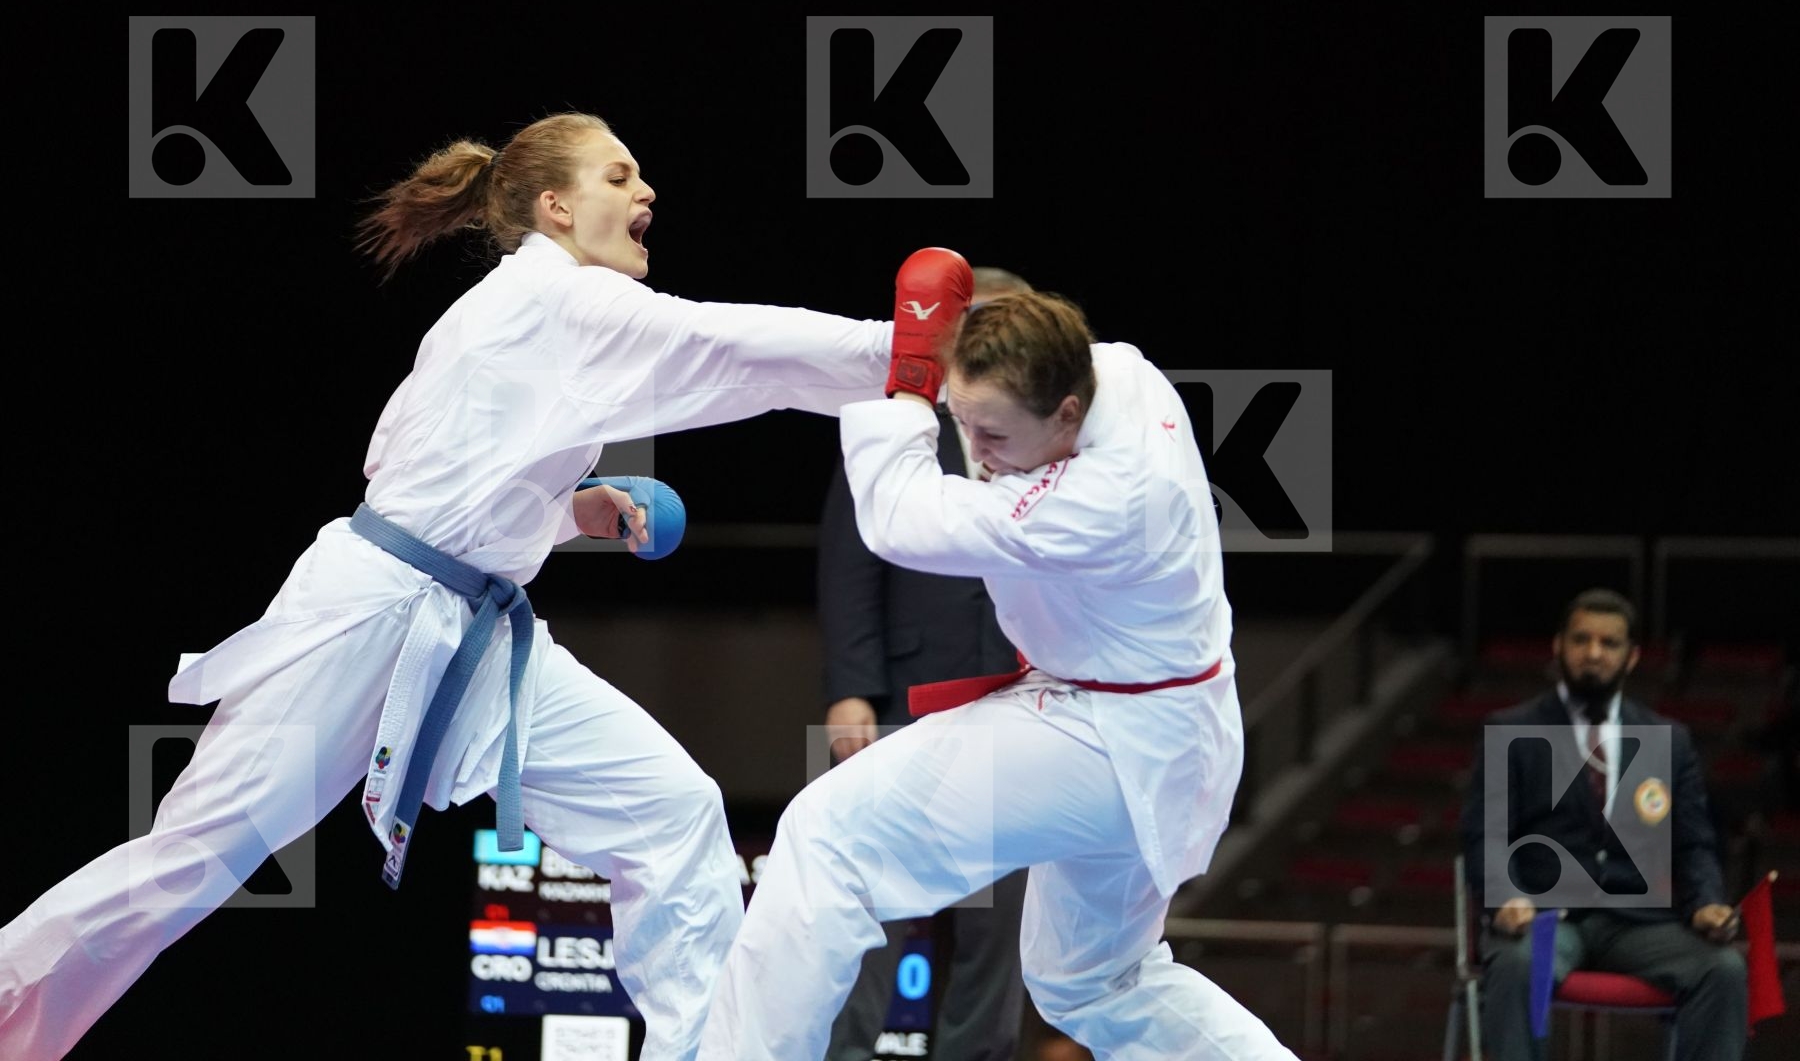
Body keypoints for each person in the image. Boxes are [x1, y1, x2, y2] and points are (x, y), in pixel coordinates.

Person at [0, 111, 897, 1061]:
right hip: (370, 614)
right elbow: (732, 345)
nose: (646, 193)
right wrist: (906, 355)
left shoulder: (523, 310)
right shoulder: (559, 300)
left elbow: (442, 473)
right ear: (555, 207)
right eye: (618, 176)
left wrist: (573, 510)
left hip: (473, 628)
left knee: (668, 809)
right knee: (193, 859)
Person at [698, 254, 1298, 1059]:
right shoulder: (1121, 369)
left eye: (992, 435)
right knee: (1094, 983)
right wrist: (934, 354)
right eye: (964, 424)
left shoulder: (1099, 501)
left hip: (1108, 735)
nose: (974, 452)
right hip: (1163, 730)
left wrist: (913, 379)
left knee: (828, 836)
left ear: (1067, 413)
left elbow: (896, 518)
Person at [819, 268, 1033, 1061]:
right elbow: (848, 562)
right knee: (865, 917)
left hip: (1020, 712)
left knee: (996, 933)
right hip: (900, 703)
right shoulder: (899, 425)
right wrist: (850, 690)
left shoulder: (1052, 439)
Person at [1458, 588, 1749, 1061]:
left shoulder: (1668, 739)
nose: (1593, 653)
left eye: (1609, 643)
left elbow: (1694, 843)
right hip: (1545, 920)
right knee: (1518, 963)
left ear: (1631, 657)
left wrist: (1706, 903)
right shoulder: (1511, 730)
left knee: (1723, 969)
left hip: (1637, 923)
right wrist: (1505, 895)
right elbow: (1486, 834)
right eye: (1581, 640)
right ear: (1558, 646)